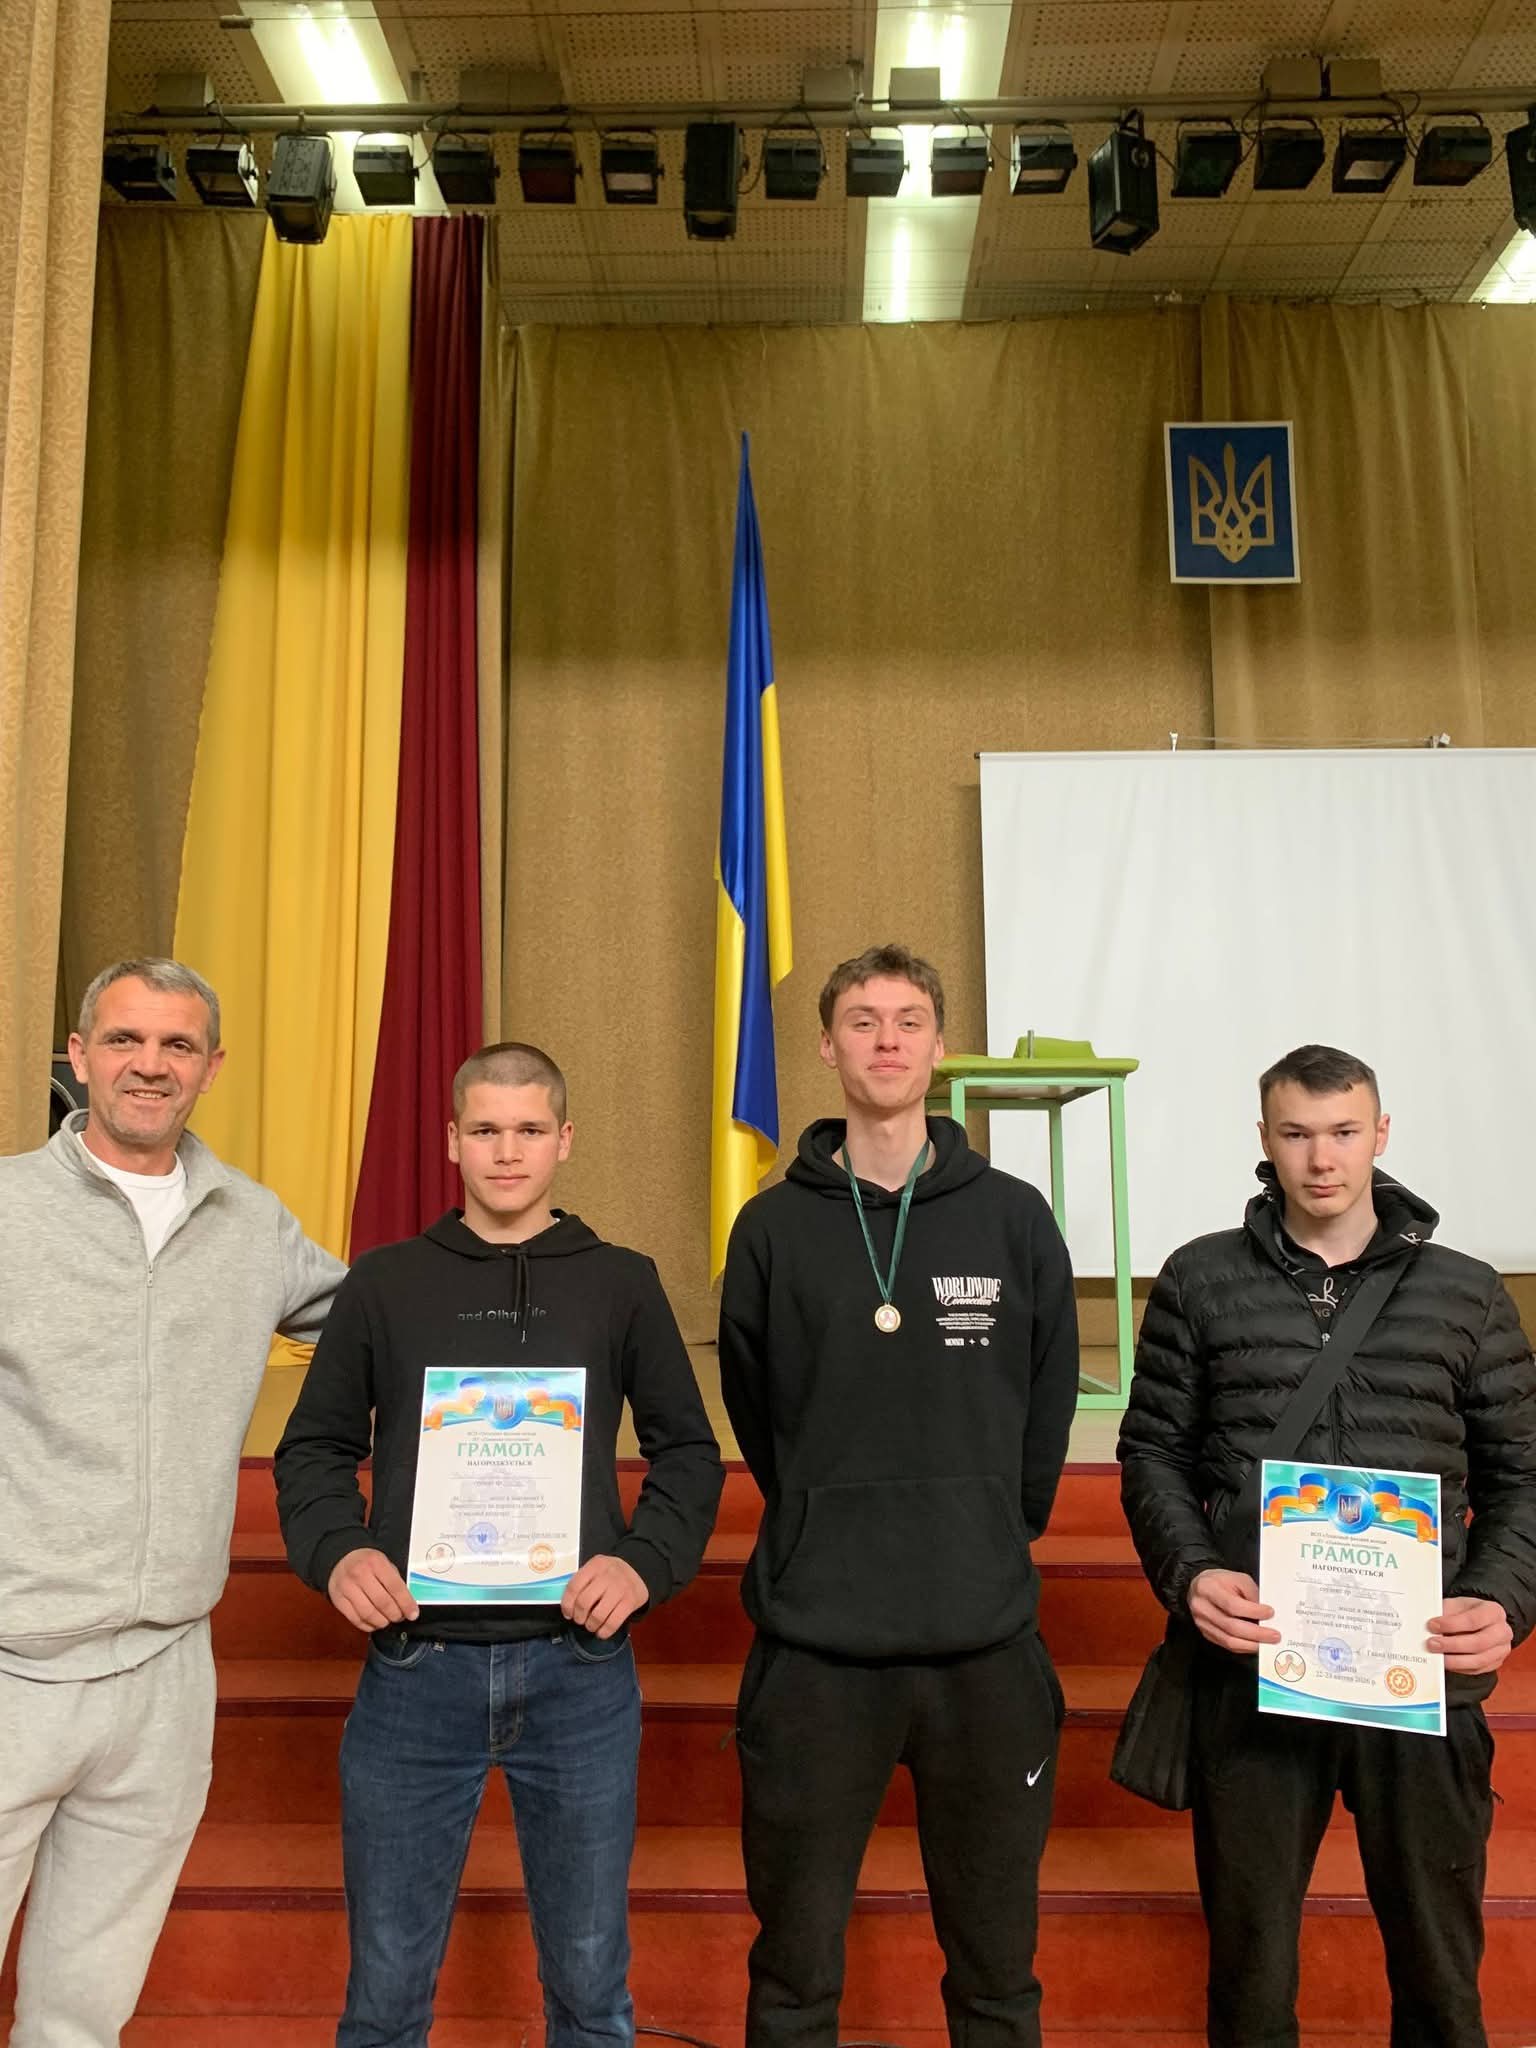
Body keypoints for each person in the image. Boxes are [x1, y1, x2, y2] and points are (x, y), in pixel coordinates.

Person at [274, 1039, 724, 2048]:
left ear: (565, 1139)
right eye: (485, 1129)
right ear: (451, 1141)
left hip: (579, 1669)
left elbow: (690, 1452)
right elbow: (314, 1448)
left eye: (528, 1130)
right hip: (414, 1667)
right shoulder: (385, 1283)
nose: (507, 1151)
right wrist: (338, 1549)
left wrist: (643, 1562)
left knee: (591, 1988)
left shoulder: (622, 1283)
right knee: (385, 1992)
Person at [1119, 1042, 1536, 2048]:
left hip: (1421, 1674)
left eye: (1345, 1131)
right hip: (1256, 1670)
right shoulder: (1200, 1278)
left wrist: (1504, 1598)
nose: (1322, 1158)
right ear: (1264, 1139)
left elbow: (1525, 1475)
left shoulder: (1468, 1291)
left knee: (1440, 1976)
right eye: (1298, 1133)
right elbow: (1154, 1453)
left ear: (1380, 1134)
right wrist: (1192, 1573)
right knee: (1251, 1977)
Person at [718, 943, 1080, 2048]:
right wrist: (827, 1517)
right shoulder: (770, 1228)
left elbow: (1046, 1403)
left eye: (909, 1019)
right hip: (817, 1652)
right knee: (793, 1972)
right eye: (863, 1021)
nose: (887, 1039)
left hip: (983, 1644)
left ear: (939, 1045)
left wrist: (985, 1527)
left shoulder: (1014, 1217)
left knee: (998, 1973)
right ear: (828, 1047)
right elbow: (760, 1412)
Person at [0, 956, 346, 2047]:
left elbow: (381, 1327)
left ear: (210, 1066)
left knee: (82, 2013)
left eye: (177, 1045)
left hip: (167, 1674)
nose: (149, 1064)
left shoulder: (252, 1220)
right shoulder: (5, 1209)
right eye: (124, 1039)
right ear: (78, 1055)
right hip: (13, 1666)